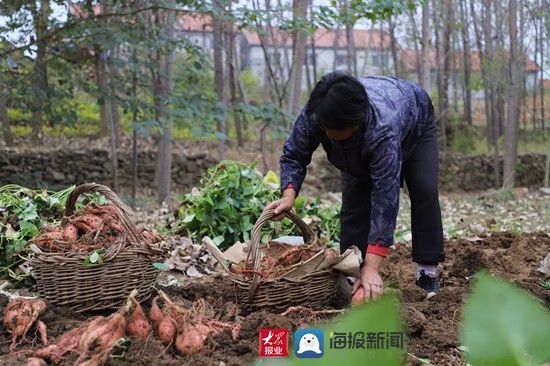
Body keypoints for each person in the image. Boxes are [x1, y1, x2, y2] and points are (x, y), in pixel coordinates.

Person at [265, 72, 445, 301]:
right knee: (353, 202)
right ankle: (352, 271)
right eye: (324, 128)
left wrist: (373, 267)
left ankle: (426, 272)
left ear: (355, 124)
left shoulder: (383, 130)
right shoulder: (318, 113)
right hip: (359, 144)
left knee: (424, 188)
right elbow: (294, 154)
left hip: (415, 121)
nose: (326, 134)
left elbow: (385, 199)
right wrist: (288, 194)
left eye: (333, 131)